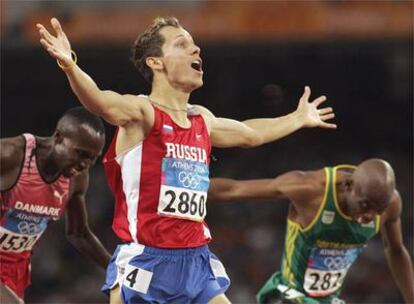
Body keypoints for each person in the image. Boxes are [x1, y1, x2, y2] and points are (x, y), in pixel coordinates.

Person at [36, 16, 336, 304]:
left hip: (195, 258)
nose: (196, 49)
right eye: (181, 44)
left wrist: (298, 118)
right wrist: (69, 64)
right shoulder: (143, 113)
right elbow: (99, 101)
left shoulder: (202, 120)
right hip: (146, 258)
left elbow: (249, 134)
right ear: (156, 62)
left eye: (194, 44)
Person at [208, 159, 414, 303]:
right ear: (349, 185)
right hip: (288, 296)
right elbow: (234, 189)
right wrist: (184, 188)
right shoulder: (311, 189)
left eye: (378, 209)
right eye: (365, 205)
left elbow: (396, 250)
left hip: (329, 300)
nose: (370, 216)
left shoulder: (391, 203)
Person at [0, 107, 111, 303]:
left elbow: (79, 234)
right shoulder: (10, 155)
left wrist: (118, 270)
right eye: (81, 153)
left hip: (13, 271)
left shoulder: (76, 178)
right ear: (58, 137)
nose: (85, 164)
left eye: (92, 158)